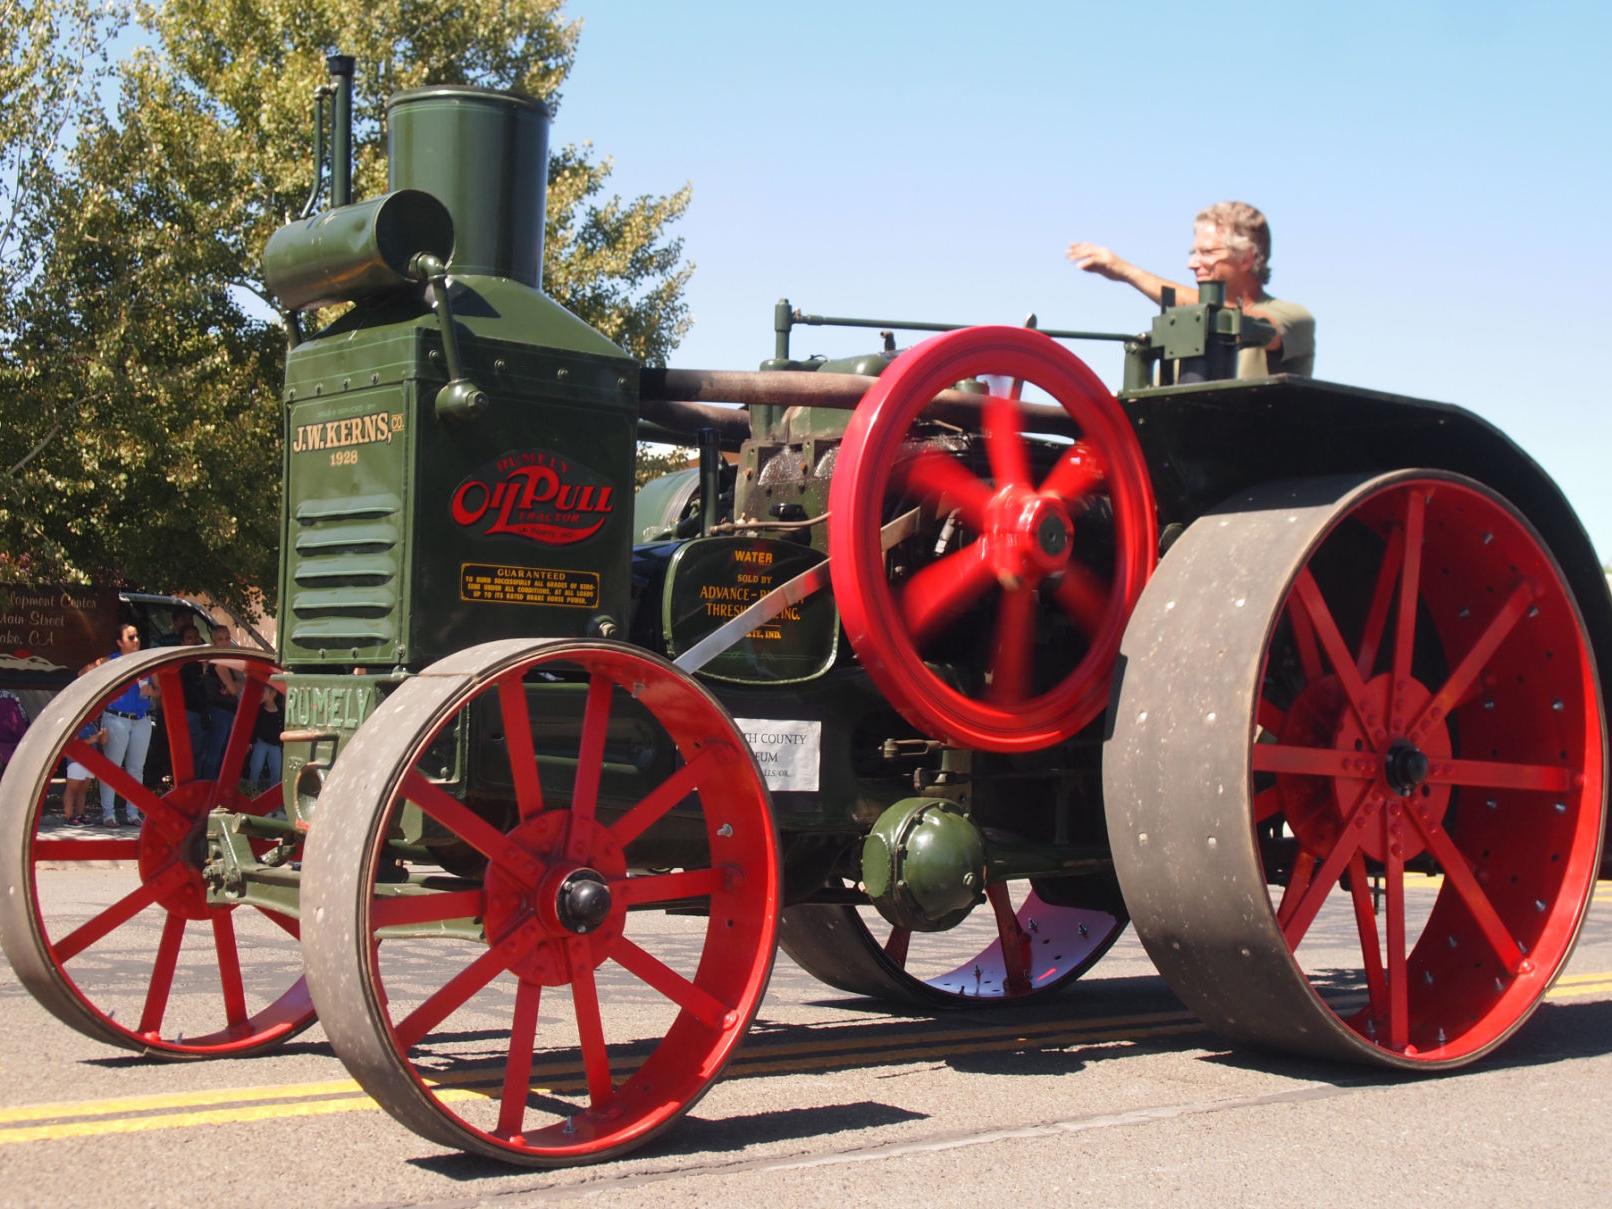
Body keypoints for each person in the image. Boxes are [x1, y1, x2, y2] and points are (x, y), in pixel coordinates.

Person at [1067, 200, 1314, 378]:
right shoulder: (1183, 327)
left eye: (1207, 253)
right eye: (1193, 253)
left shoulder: (1295, 317)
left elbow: (1233, 320)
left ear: (1247, 258)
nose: (1192, 263)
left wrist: (1127, 272)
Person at [96, 623, 156, 827]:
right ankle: (108, 813)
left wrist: (152, 693)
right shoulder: (110, 662)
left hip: (141, 719)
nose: (136, 640)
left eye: (137, 636)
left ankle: (132, 812)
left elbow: (160, 691)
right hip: (116, 718)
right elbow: (86, 677)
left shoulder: (147, 662)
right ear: (119, 642)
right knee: (112, 767)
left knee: (136, 768)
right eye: (131, 638)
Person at [198, 622, 243, 781]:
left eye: (227, 638)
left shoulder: (227, 662)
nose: (225, 642)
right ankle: (209, 786)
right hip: (219, 711)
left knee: (220, 751)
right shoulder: (219, 663)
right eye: (220, 639)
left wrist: (234, 685)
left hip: (227, 710)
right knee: (214, 752)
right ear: (214, 642)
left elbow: (239, 684)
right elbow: (233, 689)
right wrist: (233, 685)